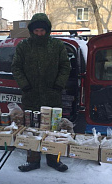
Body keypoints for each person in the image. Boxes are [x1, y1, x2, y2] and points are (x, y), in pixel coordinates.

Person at [11, 13, 71, 172]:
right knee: (31, 129)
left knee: (53, 129)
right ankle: (32, 160)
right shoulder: (24, 46)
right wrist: (24, 85)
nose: (39, 33)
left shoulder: (57, 46)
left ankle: (54, 159)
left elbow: (65, 66)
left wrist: (59, 84)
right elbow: (16, 67)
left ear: (47, 31)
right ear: (32, 30)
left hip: (52, 95)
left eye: (42, 31)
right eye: (36, 30)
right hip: (31, 95)